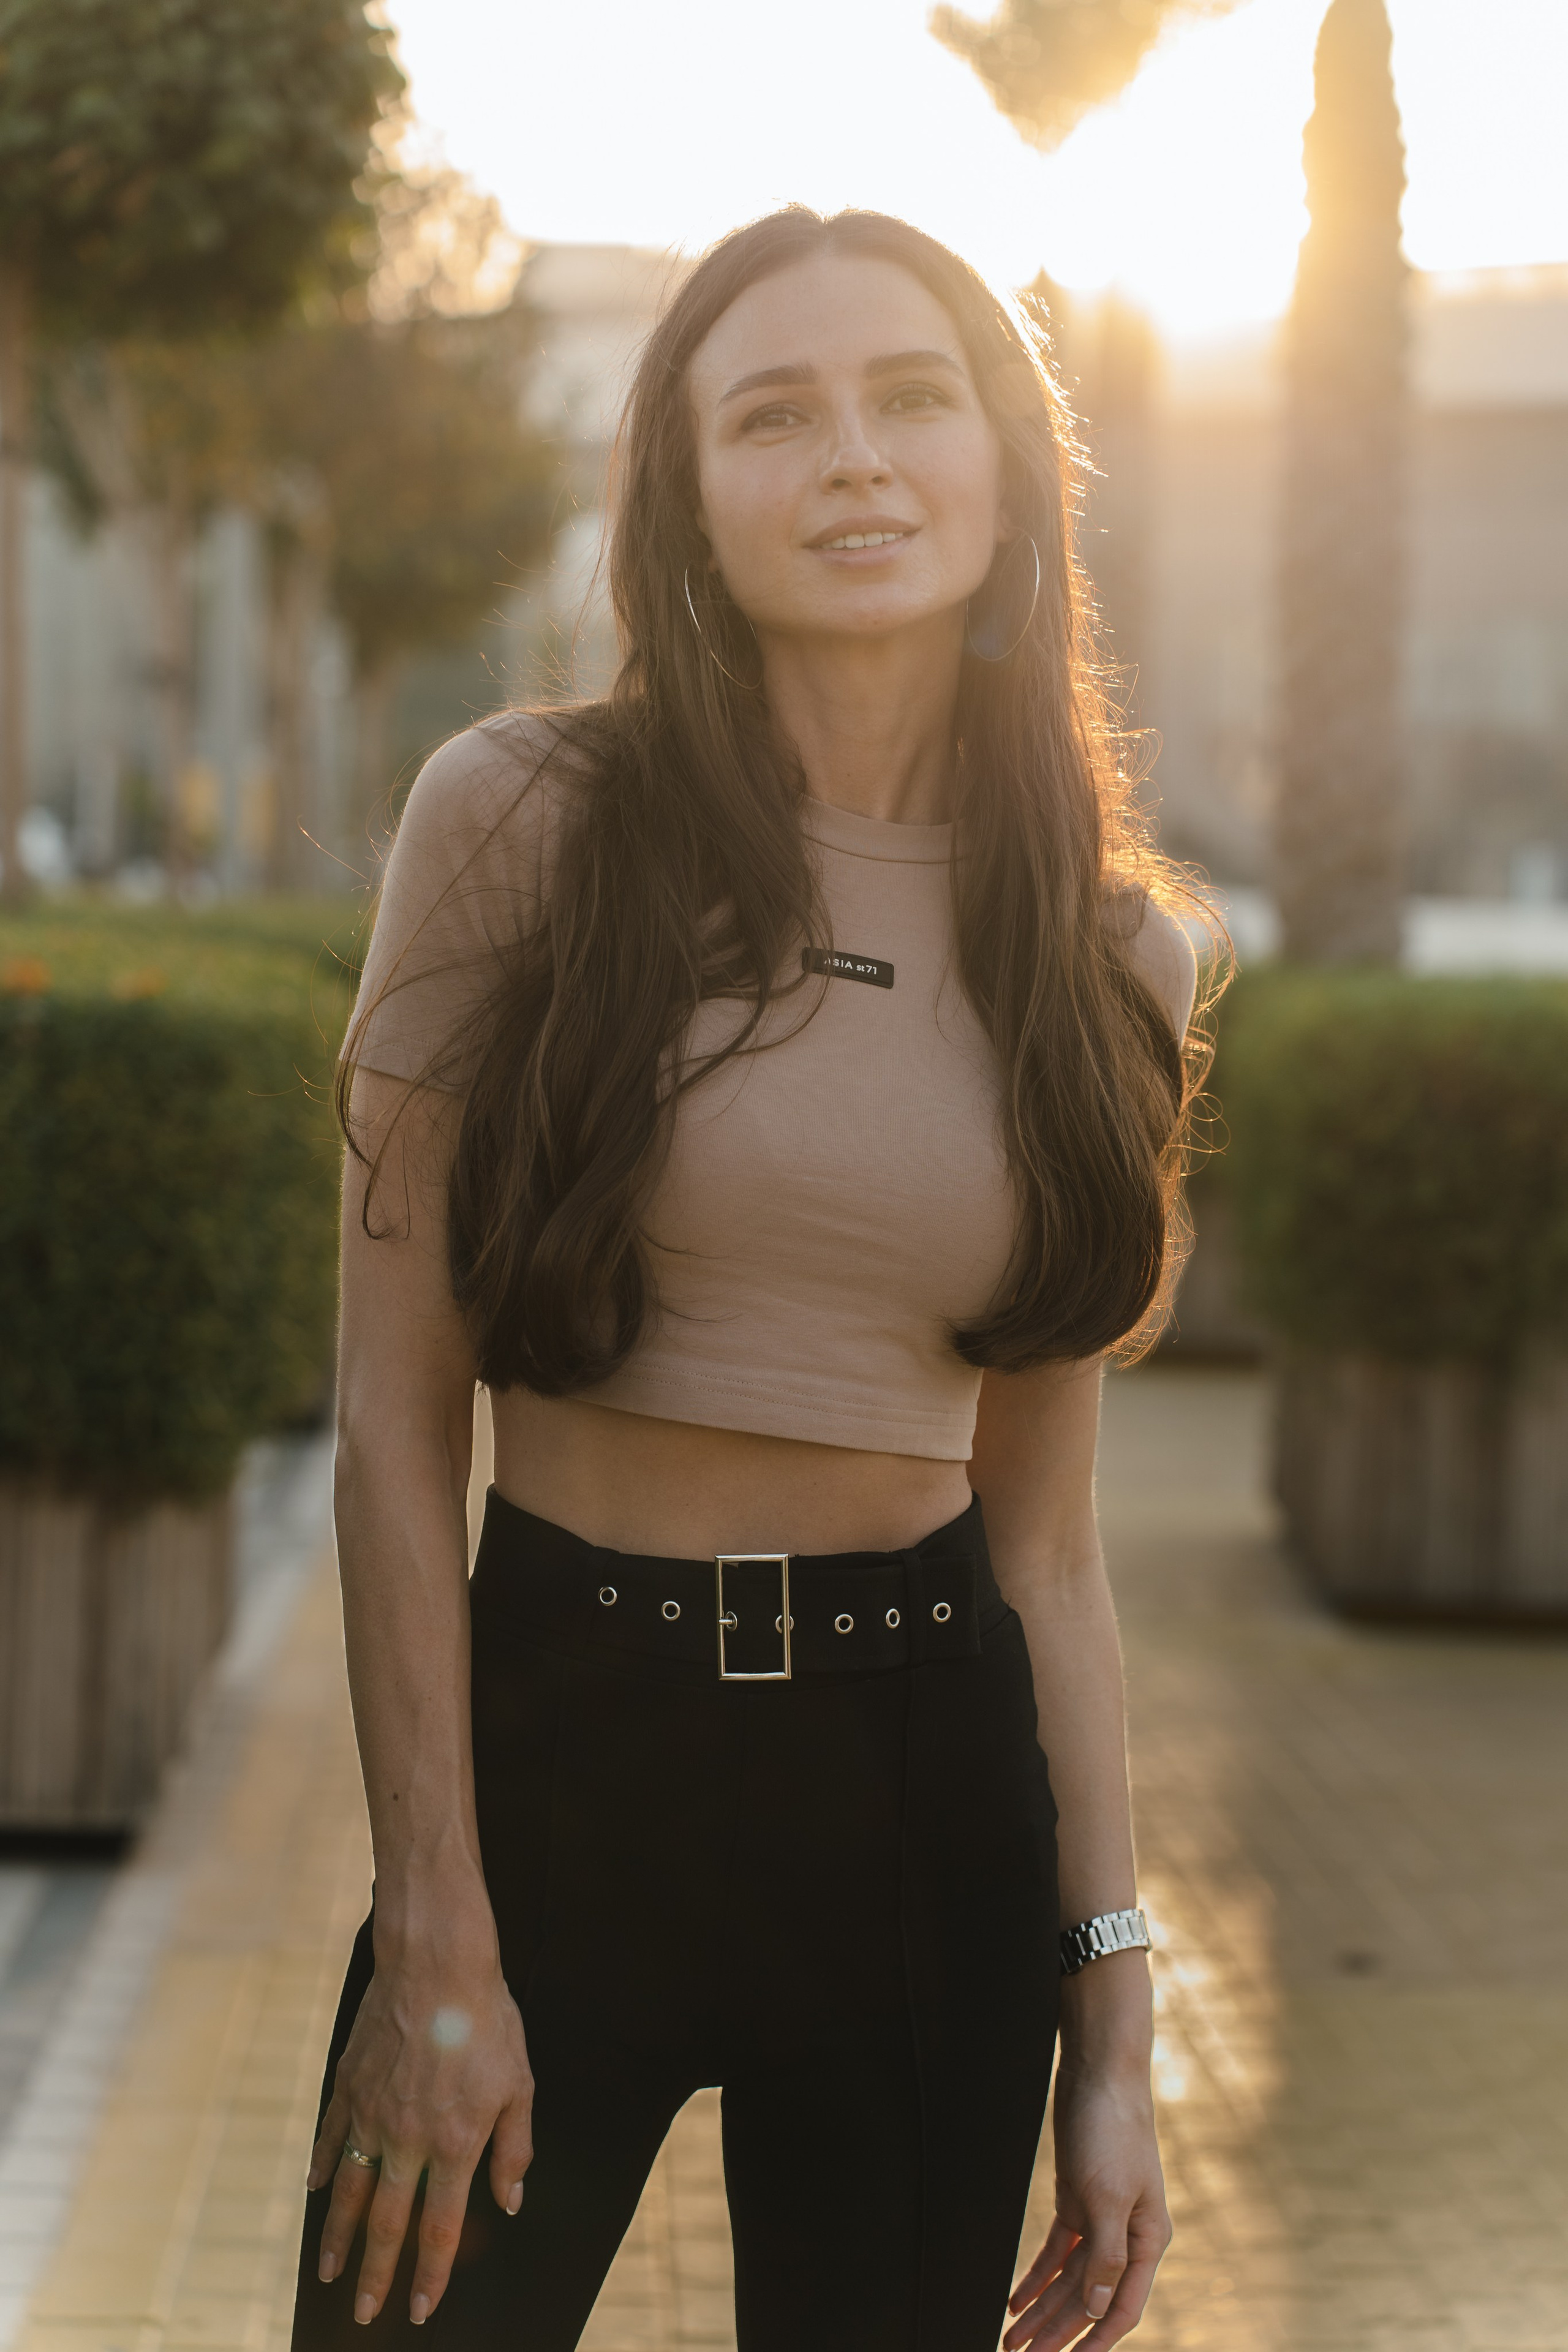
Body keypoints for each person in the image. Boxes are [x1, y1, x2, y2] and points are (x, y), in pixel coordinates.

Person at [292, 205, 1205, 2352]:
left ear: (1003, 470)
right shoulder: (518, 821)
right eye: (775, 416)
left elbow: (1050, 1553)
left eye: (912, 402)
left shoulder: (1110, 951)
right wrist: (434, 1920)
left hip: (924, 1798)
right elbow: (390, 1421)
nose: (858, 461)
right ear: (692, 504)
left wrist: (1120, 2026)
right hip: (556, 1755)